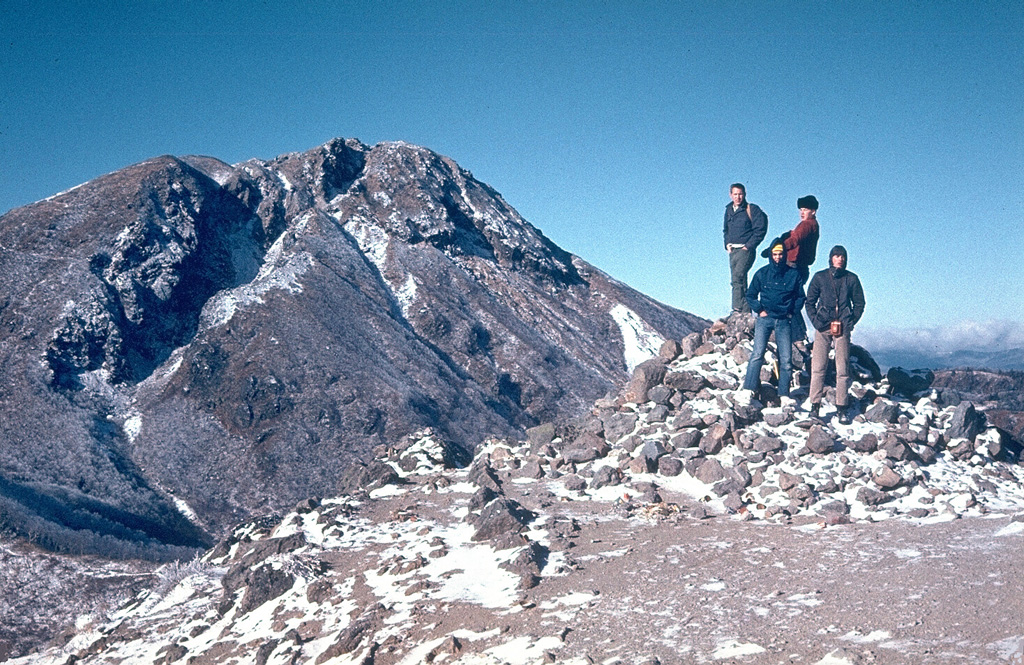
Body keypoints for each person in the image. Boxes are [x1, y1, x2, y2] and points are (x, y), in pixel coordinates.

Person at [804, 245, 866, 424]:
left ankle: (842, 408)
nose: (839, 259)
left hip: (842, 328)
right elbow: (809, 302)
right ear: (831, 258)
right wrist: (816, 321)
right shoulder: (820, 277)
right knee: (818, 367)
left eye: (842, 256)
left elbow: (860, 303)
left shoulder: (851, 279)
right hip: (823, 327)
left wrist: (850, 322)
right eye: (836, 256)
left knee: (843, 369)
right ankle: (814, 406)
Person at [742, 238, 805, 403]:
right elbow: (750, 294)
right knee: (757, 354)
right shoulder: (762, 273)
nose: (778, 257)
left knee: (786, 359)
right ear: (771, 255)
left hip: (784, 320)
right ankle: (748, 390)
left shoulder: (793, 275)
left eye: (780, 254)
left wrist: (791, 312)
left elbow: (800, 297)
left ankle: (784, 394)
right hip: (765, 319)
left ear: (784, 255)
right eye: (775, 254)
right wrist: (759, 309)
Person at [780, 195, 821, 344]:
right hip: (801, 267)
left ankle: (797, 335)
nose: (802, 212)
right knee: (793, 298)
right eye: (801, 209)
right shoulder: (812, 225)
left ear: (813, 211)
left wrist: (778, 248)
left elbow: (795, 239)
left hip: (794, 266)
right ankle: (799, 334)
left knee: (790, 299)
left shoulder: (807, 225)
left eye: (805, 209)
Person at [722, 183, 768, 313]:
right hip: (733, 250)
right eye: (735, 194)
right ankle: (746, 310)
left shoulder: (751, 209)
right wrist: (727, 244)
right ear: (730, 195)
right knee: (739, 280)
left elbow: (760, 229)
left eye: (740, 194)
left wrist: (749, 246)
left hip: (745, 250)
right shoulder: (729, 210)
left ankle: (737, 308)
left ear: (745, 194)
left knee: (738, 276)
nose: (738, 197)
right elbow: (725, 229)